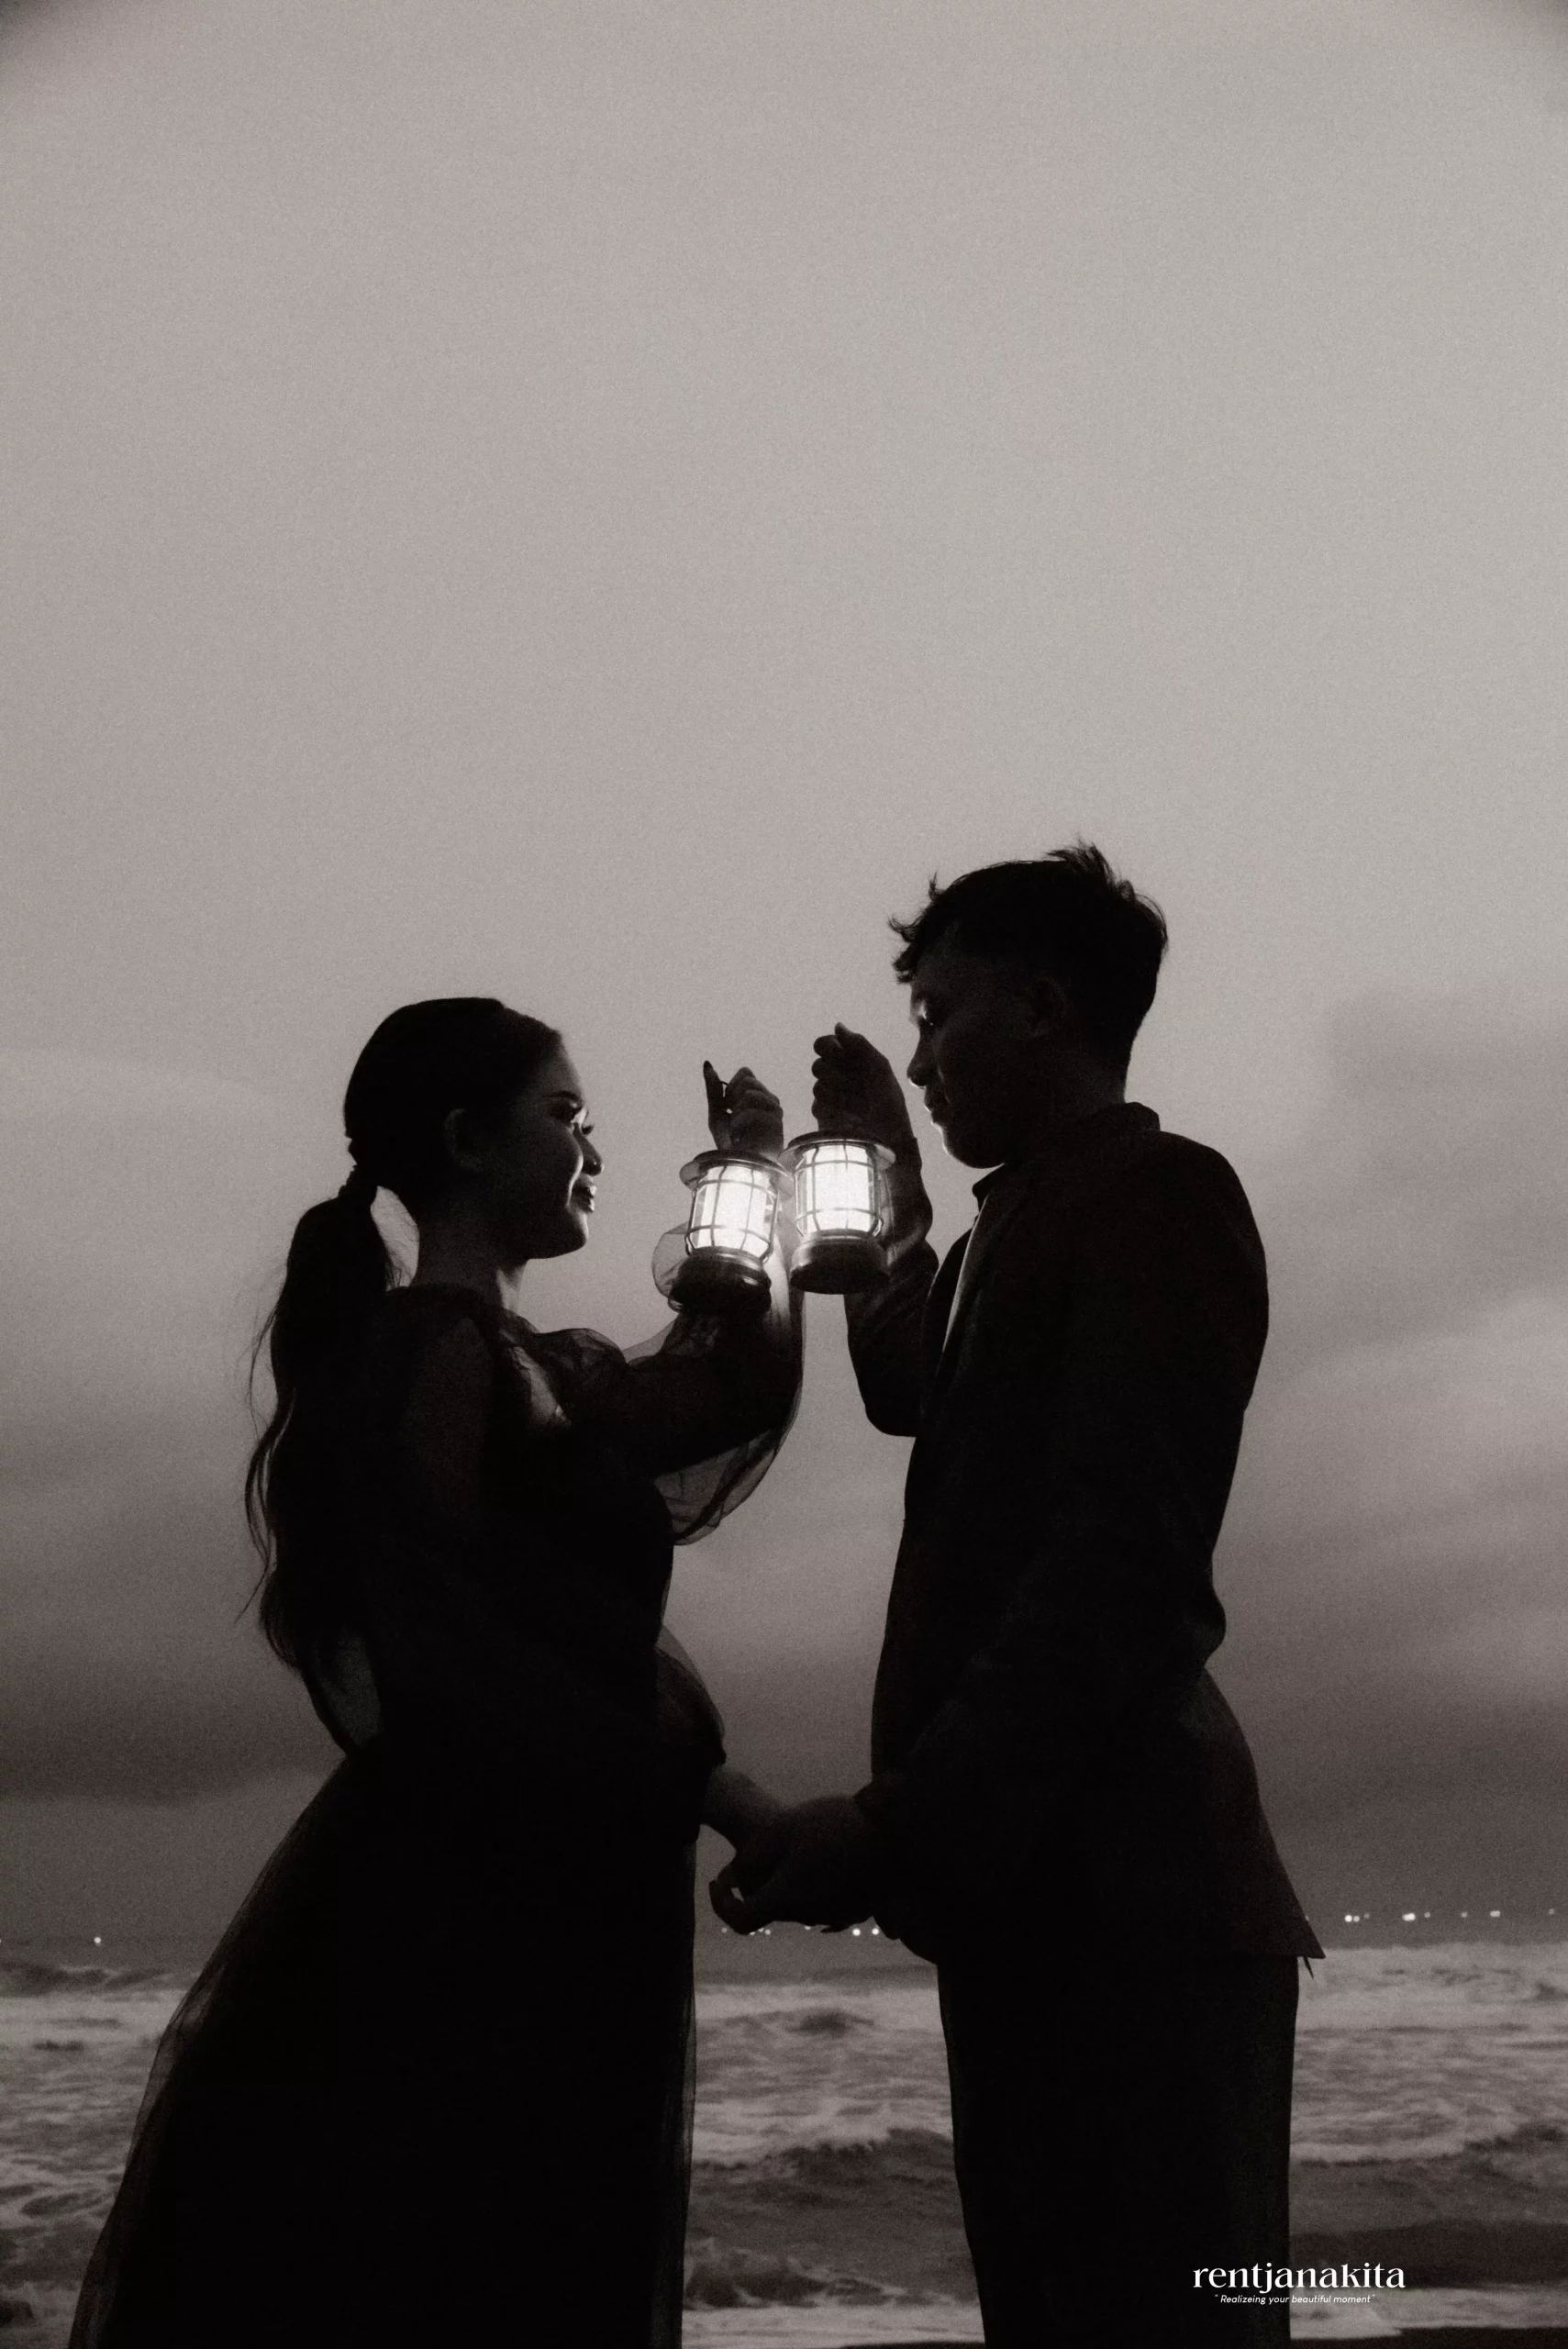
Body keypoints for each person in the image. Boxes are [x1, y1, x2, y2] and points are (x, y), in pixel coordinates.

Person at [72, 997, 797, 2349]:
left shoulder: (527, 1366)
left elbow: (728, 1395)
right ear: (467, 1141)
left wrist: (752, 1173)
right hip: (474, 1924)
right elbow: (457, 1660)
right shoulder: (436, 1356)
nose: (593, 1148)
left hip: (541, 1900)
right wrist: (718, 1792)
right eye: (565, 1116)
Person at [713, 849, 1322, 2346]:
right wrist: (883, 1186)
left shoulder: (1162, 1197)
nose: (920, 1061)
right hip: (1035, 1906)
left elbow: (1116, 1576)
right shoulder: (1013, 1226)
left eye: (938, 1015)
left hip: (1138, 1908)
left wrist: (892, 1825)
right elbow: (908, 1385)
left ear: (1044, 1007)